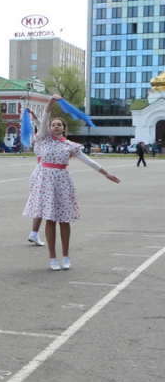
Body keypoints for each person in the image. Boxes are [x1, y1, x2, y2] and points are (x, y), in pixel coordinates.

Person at [22, 95, 120, 271]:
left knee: (65, 221)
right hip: (46, 183)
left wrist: (106, 173)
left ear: (64, 129)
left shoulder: (70, 146)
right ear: (49, 128)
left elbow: (88, 160)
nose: (56, 126)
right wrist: (50, 102)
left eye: (59, 124)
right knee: (50, 220)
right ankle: (53, 258)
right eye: (53, 124)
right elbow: (43, 120)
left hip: (62, 182)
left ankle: (66, 255)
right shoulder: (43, 138)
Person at [25, 109, 46, 247]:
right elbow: (42, 126)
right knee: (44, 204)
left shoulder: (41, 138)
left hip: (39, 172)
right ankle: (35, 233)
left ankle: (34, 233)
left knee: (41, 204)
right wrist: (36, 118)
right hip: (46, 173)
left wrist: (34, 116)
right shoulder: (43, 138)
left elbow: (41, 125)